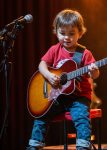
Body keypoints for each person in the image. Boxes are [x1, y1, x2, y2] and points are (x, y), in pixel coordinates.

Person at [27, 9, 100, 150]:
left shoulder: (84, 53)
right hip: (56, 96)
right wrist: (48, 75)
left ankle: (83, 147)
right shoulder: (55, 49)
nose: (67, 37)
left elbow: (95, 75)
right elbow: (42, 64)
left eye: (71, 33)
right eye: (62, 33)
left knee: (81, 119)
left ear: (80, 32)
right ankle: (34, 146)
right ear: (56, 31)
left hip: (78, 97)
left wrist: (93, 70)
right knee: (41, 116)